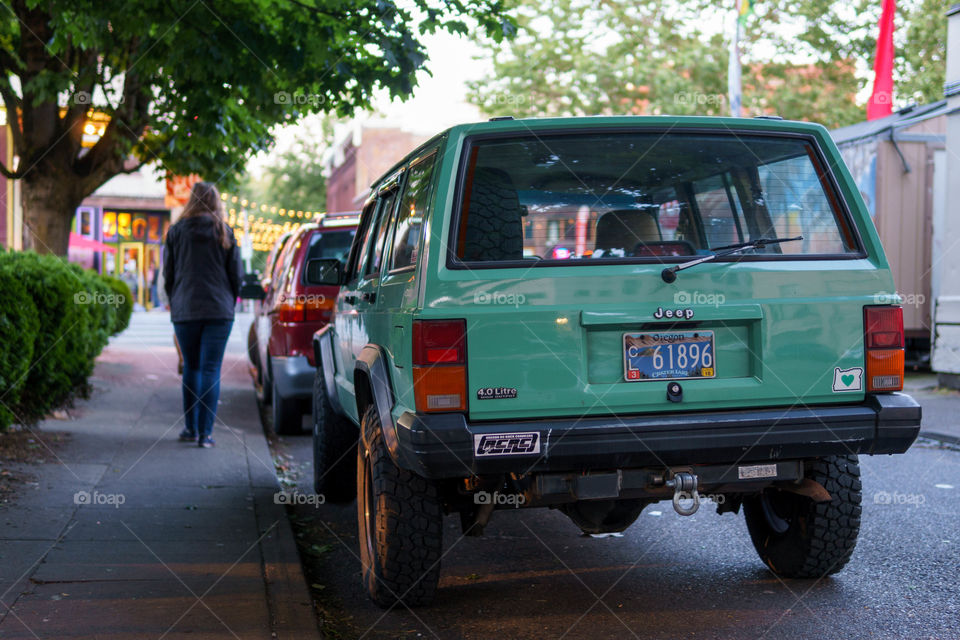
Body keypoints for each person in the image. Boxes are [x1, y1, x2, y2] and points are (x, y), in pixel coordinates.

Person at [163, 182, 241, 448]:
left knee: (191, 368)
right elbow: (236, 276)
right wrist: (230, 299)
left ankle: (190, 428)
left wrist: (175, 299)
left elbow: (168, 274)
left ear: (191, 201)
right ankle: (206, 435)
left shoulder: (176, 232)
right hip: (219, 310)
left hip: (185, 310)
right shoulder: (225, 231)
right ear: (216, 202)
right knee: (211, 369)